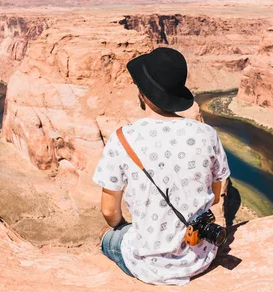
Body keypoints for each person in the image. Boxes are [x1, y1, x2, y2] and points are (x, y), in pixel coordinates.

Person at [92, 47, 230, 286]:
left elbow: (109, 212)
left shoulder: (123, 138)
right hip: (201, 257)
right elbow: (215, 197)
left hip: (147, 265)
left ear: (143, 93)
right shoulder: (207, 134)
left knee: (108, 239)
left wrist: (125, 228)